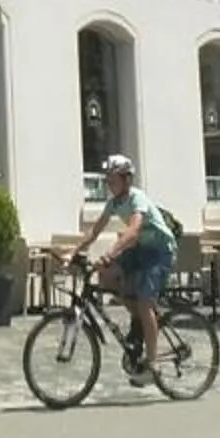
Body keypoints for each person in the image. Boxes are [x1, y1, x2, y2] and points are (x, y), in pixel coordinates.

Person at [80, 154, 176, 382]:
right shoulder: (113, 203)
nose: (109, 185)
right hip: (141, 249)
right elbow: (94, 232)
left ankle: (153, 365)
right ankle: (141, 320)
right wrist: (72, 253)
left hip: (160, 251)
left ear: (126, 180)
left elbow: (133, 230)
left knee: (144, 303)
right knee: (107, 277)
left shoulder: (137, 199)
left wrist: (110, 253)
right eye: (107, 181)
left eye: (112, 180)